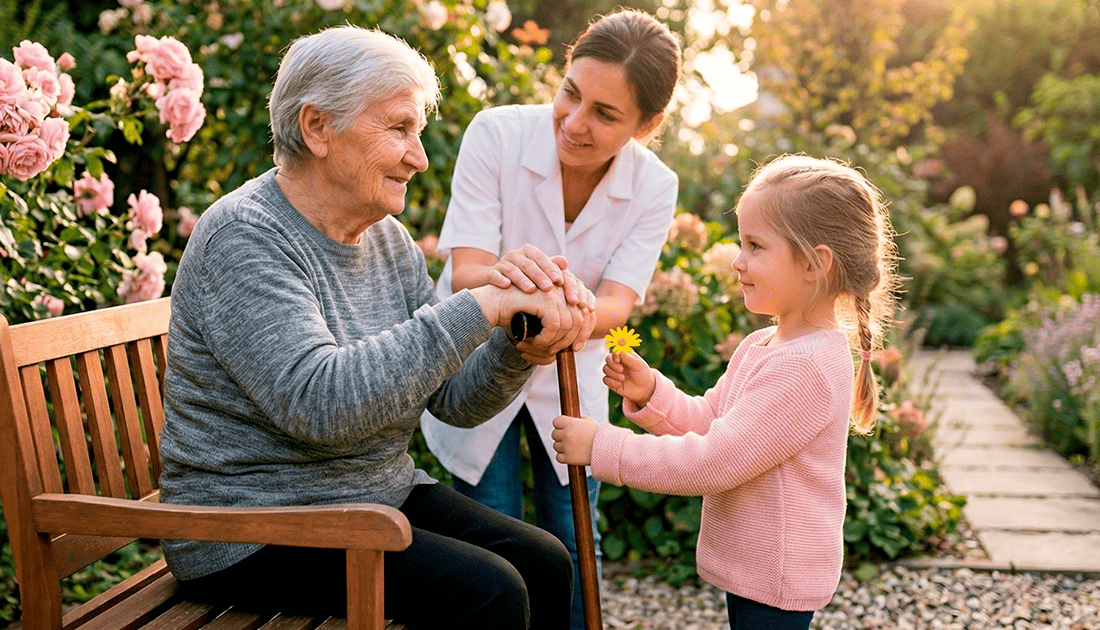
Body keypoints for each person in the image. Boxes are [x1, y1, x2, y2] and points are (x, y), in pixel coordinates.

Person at [157, 25, 598, 630]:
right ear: (317, 128)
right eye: (398, 129)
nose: (418, 157)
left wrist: (518, 343)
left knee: (543, 561)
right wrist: (481, 304)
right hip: (253, 529)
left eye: (416, 132)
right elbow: (320, 404)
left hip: (367, 498)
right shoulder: (245, 236)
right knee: (490, 593)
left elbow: (453, 400)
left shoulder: (385, 239)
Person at [551, 154, 901, 630]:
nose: (738, 261)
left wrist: (602, 447)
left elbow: (714, 461)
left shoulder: (808, 368)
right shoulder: (765, 344)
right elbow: (711, 420)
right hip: (754, 571)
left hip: (776, 581)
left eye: (756, 246)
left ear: (815, 265)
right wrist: (653, 391)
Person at [419, 10, 682, 626]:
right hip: (479, 363)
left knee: (573, 542)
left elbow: (619, 300)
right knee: (499, 546)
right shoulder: (497, 135)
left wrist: (558, 317)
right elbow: (468, 273)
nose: (575, 122)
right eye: (571, 93)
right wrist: (545, 310)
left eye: (606, 114)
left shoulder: (654, 184)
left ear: (649, 124)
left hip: (573, 370)